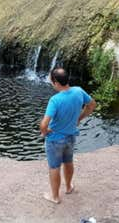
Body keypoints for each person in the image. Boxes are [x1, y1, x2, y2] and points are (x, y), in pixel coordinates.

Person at [39, 67, 96, 204]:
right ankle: (69, 187)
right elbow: (92, 105)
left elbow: (44, 124)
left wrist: (45, 132)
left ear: (56, 83)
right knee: (68, 162)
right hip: (71, 136)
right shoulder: (78, 91)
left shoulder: (55, 100)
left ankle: (55, 197)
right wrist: (79, 119)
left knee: (54, 167)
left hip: (55, 140)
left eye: (51, 81)